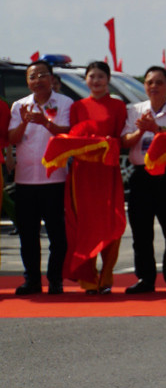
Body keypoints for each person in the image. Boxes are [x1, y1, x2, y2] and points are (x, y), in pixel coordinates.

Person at [8, 60, 71, 295]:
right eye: (32, 77)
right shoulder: (19, 106)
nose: (37, 80)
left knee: (57, 235)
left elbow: (67, 134)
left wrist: (45, 122)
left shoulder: (64, 103)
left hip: (54, 178)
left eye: (42, 75)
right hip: (25, 179)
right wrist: (24, 121)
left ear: (51, 78)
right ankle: (32, 279)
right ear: (27, 82)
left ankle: (55, 279)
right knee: (28, 234)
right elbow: (12, 138)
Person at [64, 61, 127, 294]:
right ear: (86, 80)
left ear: (108, 79)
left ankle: (107, 276)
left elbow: (122, 140)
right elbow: (73, 137)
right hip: (82, 173)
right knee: (85, 225)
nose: (96, 80)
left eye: (101, 76)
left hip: (107, 170)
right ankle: (88, 277)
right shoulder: (77, 106)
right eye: (92, 76)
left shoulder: (118, 106)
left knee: (111, 222)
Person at [122, 65, 166, 294]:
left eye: (159, 82)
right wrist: (141, 131)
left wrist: (156, 129)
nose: (154, 86)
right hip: (142, 175)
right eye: (150, 82)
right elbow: (125, 141)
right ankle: (145, 279)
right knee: (141, 231)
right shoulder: (134, 110)